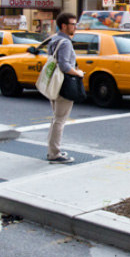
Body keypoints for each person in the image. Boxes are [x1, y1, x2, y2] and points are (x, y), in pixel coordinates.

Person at [46, 12, 85, 164]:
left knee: (56, 118)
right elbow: (64, 66)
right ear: (64, 25)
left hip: (53, 84)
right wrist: (78, 73)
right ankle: (55, 153)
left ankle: (52, 150)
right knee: (60, 120)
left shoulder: (53, 40)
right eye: (73, 24)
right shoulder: (66, 42)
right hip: (63, 84)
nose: (75, 27)